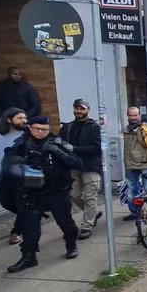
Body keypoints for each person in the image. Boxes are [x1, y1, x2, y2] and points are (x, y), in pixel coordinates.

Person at [1, 116, 81, 272]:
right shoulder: (22, 144)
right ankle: (28, 257)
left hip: (56, 191)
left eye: (44, 129)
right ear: (30, 128)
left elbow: (77, 162)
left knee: (66, 223)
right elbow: (9, 161)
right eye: (37, 129)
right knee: (29, 226)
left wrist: (58, 152)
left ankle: (71, 245)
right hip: (32, 191)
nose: (40, 132)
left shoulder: (57, 142)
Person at [60, 99, 102, 239]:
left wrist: (75, 149)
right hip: (73, 167)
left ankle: (87, 226)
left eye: (82, 108)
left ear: (87, 110)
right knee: (74, 195)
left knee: (90, 197)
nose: (78, 111)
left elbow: (97, 148)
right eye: (76, 108)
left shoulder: (94, 126)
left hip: (90, 166)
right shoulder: (68, 126)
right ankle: (94, 213)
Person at [0, 107, 27, 245]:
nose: (24, 120)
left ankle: (16, 231)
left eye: (25, 118)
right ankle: (30, 216)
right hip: (0, 175)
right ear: (8, 119)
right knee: (6, 203)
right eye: (20, 118)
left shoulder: (27, 134)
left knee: (23, 205)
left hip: (20, 176)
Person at [122, 106, 147, 222]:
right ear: (127, 116)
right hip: (130, 164)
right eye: (131, 115)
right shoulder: (126, 129)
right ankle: (135, 212)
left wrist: (145, 128)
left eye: (135, 115)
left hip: (145, 163)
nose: (133, 118)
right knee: (131, 190)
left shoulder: (144, 128)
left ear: (139, 115)